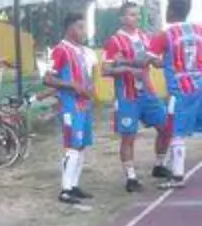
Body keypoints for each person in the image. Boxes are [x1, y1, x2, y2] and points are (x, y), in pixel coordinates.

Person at [102, 2, 171, 192]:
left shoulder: (144, 37)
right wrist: (128, 69)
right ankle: (131, 178)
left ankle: (159, 164)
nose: (136, 18)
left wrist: (165, 61)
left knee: (166, 127)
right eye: (131, 15)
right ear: (122, 18)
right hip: (128, 96)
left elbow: (154, 61)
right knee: (129, 137)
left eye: (137, 15)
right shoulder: (114, 41)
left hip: (147, 93)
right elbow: (106, 69)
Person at [44, 14, 96, 205]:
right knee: (72, 145)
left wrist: (89, 87)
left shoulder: (83, 51)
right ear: (70, 28)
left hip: (84, 105)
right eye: (80, 27)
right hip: (70, 106)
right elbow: (48, 79)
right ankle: (65, 190)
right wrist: (72, 85)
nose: (84, 32)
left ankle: (74, 185)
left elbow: (87, 76)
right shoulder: (60, 50)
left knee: (81, 145)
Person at [149, 0, 202, 189]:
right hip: (200, 84)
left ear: (171, 11)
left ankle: (177, 176)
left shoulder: (165, 34)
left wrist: (166, 62)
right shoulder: (199, 29)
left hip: (181, 89)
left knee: (176, 132)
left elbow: (151, 59)